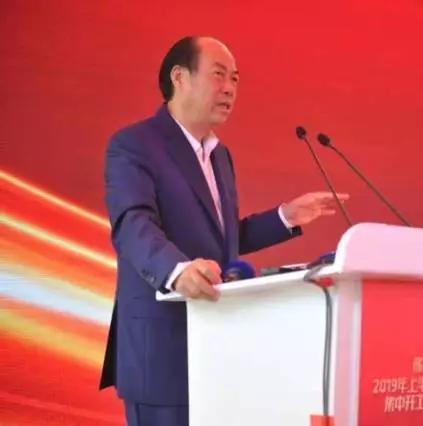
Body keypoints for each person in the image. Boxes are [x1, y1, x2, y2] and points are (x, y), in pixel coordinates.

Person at [98, 35, 348, 426]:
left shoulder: (219, 155)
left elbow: (222, 241)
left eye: (235, 78)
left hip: (219, 347)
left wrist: (285, 217)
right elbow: (133, 223)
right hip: (163, 352)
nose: (230, 88)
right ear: (179, 77)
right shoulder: (134, 145)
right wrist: (176, 271)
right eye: (218, 75)